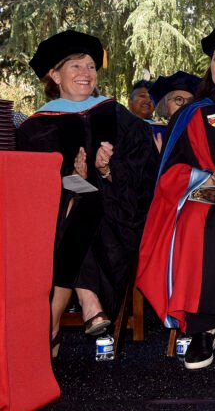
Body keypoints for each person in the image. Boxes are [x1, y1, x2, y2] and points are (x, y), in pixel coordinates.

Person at [15, 30, 158, 356]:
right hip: (53, 221)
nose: (86, 74)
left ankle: (51, 327)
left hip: (118, 219)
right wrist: (69, 181)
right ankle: (87, 301)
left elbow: (146, 174)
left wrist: (108, 171)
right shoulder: (37, 126)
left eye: (91, 66)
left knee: (84, 204)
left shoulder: (118, 117)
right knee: (77, 204)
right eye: (75, 66)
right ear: (54, 74)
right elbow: (30, 188)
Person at [136, 27, 215, 370]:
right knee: (201, 221)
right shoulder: (192, 114)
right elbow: (169, 171)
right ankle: (202, 326)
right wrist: (209, 177)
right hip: (200, 196)